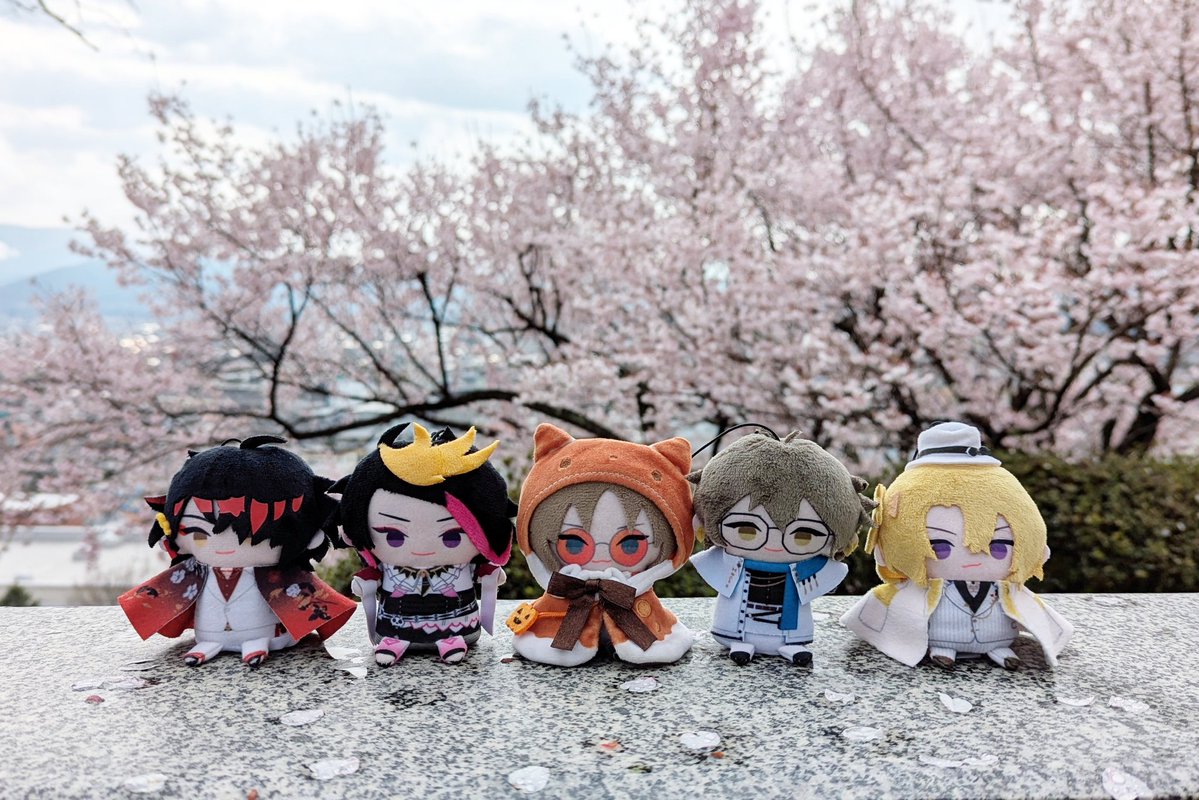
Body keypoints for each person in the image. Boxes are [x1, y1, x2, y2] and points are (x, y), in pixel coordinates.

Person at [841, 421, 1073, 669]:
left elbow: (1029, 608)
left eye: (999, 547)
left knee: (1000, 646)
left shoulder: (1005, 590)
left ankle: (999, 649)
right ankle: (944, 649)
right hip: (940, 638)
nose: (974, 557)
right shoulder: (922, 590)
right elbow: (886, 602)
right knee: (943, 645)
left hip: (999, 639)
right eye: (939, 547)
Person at [119, 435, 355, 666]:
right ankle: (210, 641)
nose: (220, 543)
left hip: (267, 630)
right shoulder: (197, 569)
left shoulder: (279, 574)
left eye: (251, 537)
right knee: (212, 627)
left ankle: (255, 641)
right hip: (209, 630)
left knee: (259, 627)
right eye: (198, 534)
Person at [506, 423, 695, 666]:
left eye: (630, 546)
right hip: (553, 623)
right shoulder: (561, 590)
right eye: (574, 545)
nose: (602, 559)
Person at [335, 423, 515, 665]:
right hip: (395, 622)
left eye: (452, 536)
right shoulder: (391, 565)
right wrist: (366, 581)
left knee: (451, 625)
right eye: (393, 536)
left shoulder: (461, 565)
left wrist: (490, 574)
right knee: (396, 628)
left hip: (457, 623)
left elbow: (483, 572)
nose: (421, 548)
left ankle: (449, 638)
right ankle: (395, 639)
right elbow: (372, 577)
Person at [690, 431, 872, 665]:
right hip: (737, 625)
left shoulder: (807, 568)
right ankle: (740, 642)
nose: (774, 543)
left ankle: (791, 645)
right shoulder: (733, 563)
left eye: (804, 535)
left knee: (790, 627)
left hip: (789, 608)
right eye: (747, 529)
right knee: (739, 620)